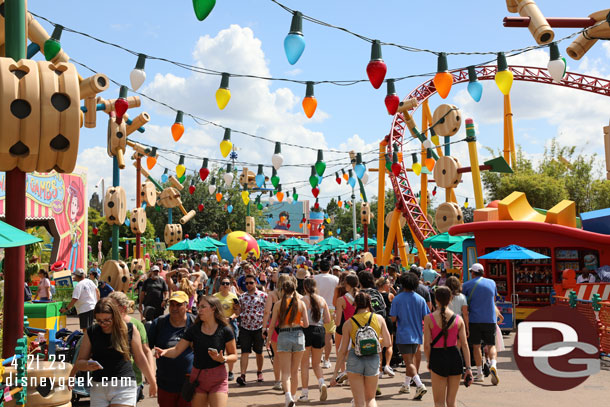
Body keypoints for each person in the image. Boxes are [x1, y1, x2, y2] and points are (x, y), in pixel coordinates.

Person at [70, 298, 157, 406]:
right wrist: (85, 366)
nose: (103, 324)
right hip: (99, 386)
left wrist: (152, 381)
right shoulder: (92, 332)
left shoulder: (129, 329)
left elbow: (140, 358)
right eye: (99, 320)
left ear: (115, 316)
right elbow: (80, 361)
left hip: (124, 384)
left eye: (107, 319)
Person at [156, 296, 238, 407]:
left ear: (213, 308)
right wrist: (164, 352)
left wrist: (223, 359)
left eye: (203, 307)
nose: (200, 310)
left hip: (218, 379)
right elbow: (177, 350)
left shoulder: (225, 330)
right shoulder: (194, 329)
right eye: (199, 307)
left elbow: (234, 356)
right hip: (198, 378)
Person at [330, 292, 392, 407]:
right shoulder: (378, 318)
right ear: (369, 303)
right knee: (371, 398)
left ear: (355, 305)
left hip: (355, 359)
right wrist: (377, 342)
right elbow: (388, 342)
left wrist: (335, 375)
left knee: (358, 401)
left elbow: (342, 351)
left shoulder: (348, 323)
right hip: (373, 358)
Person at [423, 286, 472, 407]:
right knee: (451, 402)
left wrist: (429, 361)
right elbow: (465, 345)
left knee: (439, 402)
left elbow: (427, 345)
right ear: (450, 299)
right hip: (455, 357)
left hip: (437, 357)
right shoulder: (458, 319)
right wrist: (469, 368)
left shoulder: (429, 318)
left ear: (436, 300)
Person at [148, 291, 197, 406]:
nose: (174, 308)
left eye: (179, 305)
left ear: (187, 306)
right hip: (165, 383)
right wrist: (150, 376)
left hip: (190, 383)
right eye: (172, 304)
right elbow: (146, 349)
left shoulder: (195, 324)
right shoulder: (159, 323)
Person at [267, 279, 309, 407]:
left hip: (284, 335)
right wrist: (298, 322)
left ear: (283, 290)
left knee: (285, 372)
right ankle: (294, 397)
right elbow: (306, 324)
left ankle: (288, 397)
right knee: (295, 371)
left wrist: (268, 339)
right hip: (298, 335)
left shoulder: (279, 304)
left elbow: (273, 323)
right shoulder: (301, 303)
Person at [109, 291, 155, 402]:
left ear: (123, 308)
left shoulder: (136, 325)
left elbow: (146, 351)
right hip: (108, 379)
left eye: (112, 306)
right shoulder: (105, 325)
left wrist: (151, 376)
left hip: (132, 378)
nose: (108, 309)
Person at [390, 273, 429, 400]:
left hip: (403, 334)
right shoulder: (420, 299)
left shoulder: (397, 299)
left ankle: (419, 384)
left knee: (408, 362)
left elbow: (394, 318)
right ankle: (406, 384)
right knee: (410, 361)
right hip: (417, 333)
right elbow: (426, 318)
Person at [462, 263, 499, 385]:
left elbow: (464, 302)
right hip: (490, 319)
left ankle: (479, 373)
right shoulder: (492, 283)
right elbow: (494, 300)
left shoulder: (466, 285)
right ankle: (493, 364)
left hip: (474, 320)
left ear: (473, 273)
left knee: (476, 346)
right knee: (491, 345)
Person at [299, 278, 331, 402]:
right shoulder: (322, 300)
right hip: (320, 331)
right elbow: (327, 320)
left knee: (304, 364)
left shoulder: (302, 300)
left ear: (305, 287)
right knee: (317, 363)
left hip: (306, 331)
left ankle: (305, 394)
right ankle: (321, 382)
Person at [235, 274, 268, 386]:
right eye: (247, 283)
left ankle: (259, 372)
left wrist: (266, 327)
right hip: (245, 328)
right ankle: (243, 375)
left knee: (259, 352)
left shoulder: (264, 296)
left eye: (251, 283)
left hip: (259, 328)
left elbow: (268, 312)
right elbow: (239, 312)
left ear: (255, 283)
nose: (248, 285)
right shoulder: (242, 297)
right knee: (245, 352)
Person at [262, 273, 292, 390]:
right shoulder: (293, 295)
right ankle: (288, 379)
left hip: (275, 327)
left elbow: (267, 312)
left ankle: (278, 381)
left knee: (277, 356)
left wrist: (264, 328)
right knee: (288, 355)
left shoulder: (272, 294)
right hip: (290, 325)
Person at [313, 259, 339, 369]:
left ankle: (317, 358)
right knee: (328, 335)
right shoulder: (335, 279)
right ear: (330, 268)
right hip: (331, 308)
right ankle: (326, 360)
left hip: (316, 307)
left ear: (320, 268)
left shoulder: (314, 278)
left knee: (316, 333)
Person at [334, 273, 359, 384]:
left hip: (349, 330)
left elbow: (338, 322)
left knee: (345, 354)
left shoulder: (341, 300)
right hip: (362, 328)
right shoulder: (362, 296)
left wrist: (334, 318)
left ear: (346, 284)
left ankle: (348, 376)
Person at [213, 276, 239, 381]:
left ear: (230, 286)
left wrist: (230, 318)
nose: (225, 285)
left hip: (230, 324)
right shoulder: (215, 297)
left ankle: (231, 371)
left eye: (227, 284)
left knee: (230, 350)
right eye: (223, 283)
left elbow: (237, 311)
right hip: (218, 324)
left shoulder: (234, 297)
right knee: (218, 349)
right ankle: (218, 371)